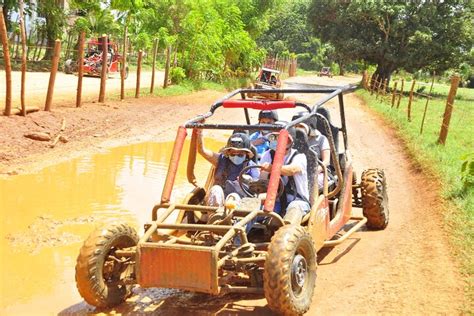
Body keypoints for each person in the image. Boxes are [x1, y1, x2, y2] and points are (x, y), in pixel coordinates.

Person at [260, 126, 310, 224]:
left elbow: (292, 169)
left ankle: (288, 236)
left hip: (297, 200)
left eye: (282, 138)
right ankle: (237, 234)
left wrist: (271, 168)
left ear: (290, 141)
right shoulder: (267, 155)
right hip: (274, 200)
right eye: (275, 137)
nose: (278, 141)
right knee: (252, 206)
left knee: (293, 210)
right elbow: (260, 175)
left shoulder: (299, 156)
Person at [197, 130, 259, 207]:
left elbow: (257, 189)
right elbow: (201, 151)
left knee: (234, 197)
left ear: (247, 154)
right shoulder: (221, 160)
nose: (236, 156)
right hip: (218, 200)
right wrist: (199, 132)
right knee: (216, 189)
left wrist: (249, 181)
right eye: (233, 154)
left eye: (240, 154)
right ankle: (214, 216)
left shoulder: (252, 167)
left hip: (241, 203)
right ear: (228, 152)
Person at [292, 112, 330, 190]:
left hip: (318, 172)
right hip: (298, 172)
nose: (298, 129)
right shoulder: (293, 140)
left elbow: (326, 161)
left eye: (301, 126)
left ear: (309, 127)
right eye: (296, 126)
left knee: (309, 184)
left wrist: (315, 172)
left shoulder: (321, 139)